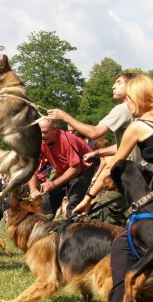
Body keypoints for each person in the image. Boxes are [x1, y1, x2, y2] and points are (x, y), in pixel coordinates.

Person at [74, 75, 153, 302]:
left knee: (124, 244)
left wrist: (89, 198)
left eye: (127, 98)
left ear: (135, 98)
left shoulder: (138, 125)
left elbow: (115, 168)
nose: (127, 104)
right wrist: (99, 152)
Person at [47, 72, 147, 222]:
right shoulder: (139, 109)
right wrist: (97, 153)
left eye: (119, 82)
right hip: (144, 176)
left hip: (127, 178)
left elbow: (94, 133)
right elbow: (125, 146)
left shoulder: (123, 109)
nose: (113, 86)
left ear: (130, 87)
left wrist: (64, 117)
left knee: (95, 223)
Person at [28, 119, 95, 218]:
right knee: (45, 205)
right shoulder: (39, 142)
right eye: (39, 132)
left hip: (82, 171)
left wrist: (54, 183)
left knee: (73, 205)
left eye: (45, 132)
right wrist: (33, 189)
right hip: (63, 171)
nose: (42, 136)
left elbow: (75, 168)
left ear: (55, 129)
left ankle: (76, 228)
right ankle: (44, 230)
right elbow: (31, 167)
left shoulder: (67, 140)